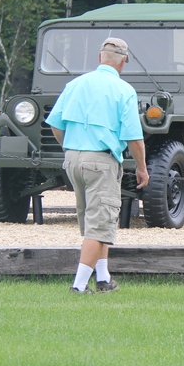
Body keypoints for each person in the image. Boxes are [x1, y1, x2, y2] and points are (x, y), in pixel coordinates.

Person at [47, 37, 150, 294]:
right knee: (100, 222)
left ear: (99, 57)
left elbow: (55, 124)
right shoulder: (124, 90)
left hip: (73, 158)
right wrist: (142, 167)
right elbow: (134, 138)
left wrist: (71, 147)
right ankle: (79, 286)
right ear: (124, 61)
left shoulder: (75, 84)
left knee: (94, 220)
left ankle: (103, 279)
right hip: (101, 161)